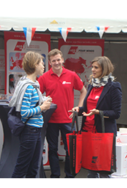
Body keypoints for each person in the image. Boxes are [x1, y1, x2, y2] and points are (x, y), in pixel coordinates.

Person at [69, 56, 122, 179]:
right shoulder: (92, 85)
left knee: (103, 170)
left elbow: (116, 113)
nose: (92, 70)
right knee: (90, 169)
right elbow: (87, 108)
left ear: (104, 69)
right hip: (88, 131)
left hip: (103, 133)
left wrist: (98, 112)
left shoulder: (114, 87)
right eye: (92, 67)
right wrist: (79, 109)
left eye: (96, 67)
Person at [38, 49, 87, 179]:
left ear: (63, 60)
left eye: (58, 59)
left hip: (68, 119)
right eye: (53, 61)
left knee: (70, 150)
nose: (57, 63)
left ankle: (69, 176)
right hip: (51, 119)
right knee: (52, 149)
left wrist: (79, 107)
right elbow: (37, 96)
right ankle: (55, 176)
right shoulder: (44, 77)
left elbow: (83, 91)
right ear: (49, 62)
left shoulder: (71, 75)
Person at [9, 51, 52, 179]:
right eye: (41, 63)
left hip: (35, 131)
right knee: (22, 168)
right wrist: (42, 107)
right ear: (34, 64)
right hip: (30, 131)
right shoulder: (28, 87)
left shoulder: (33, 85)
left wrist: (43, 100)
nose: (44, 65)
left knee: (33, 169)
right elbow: (24, 113)